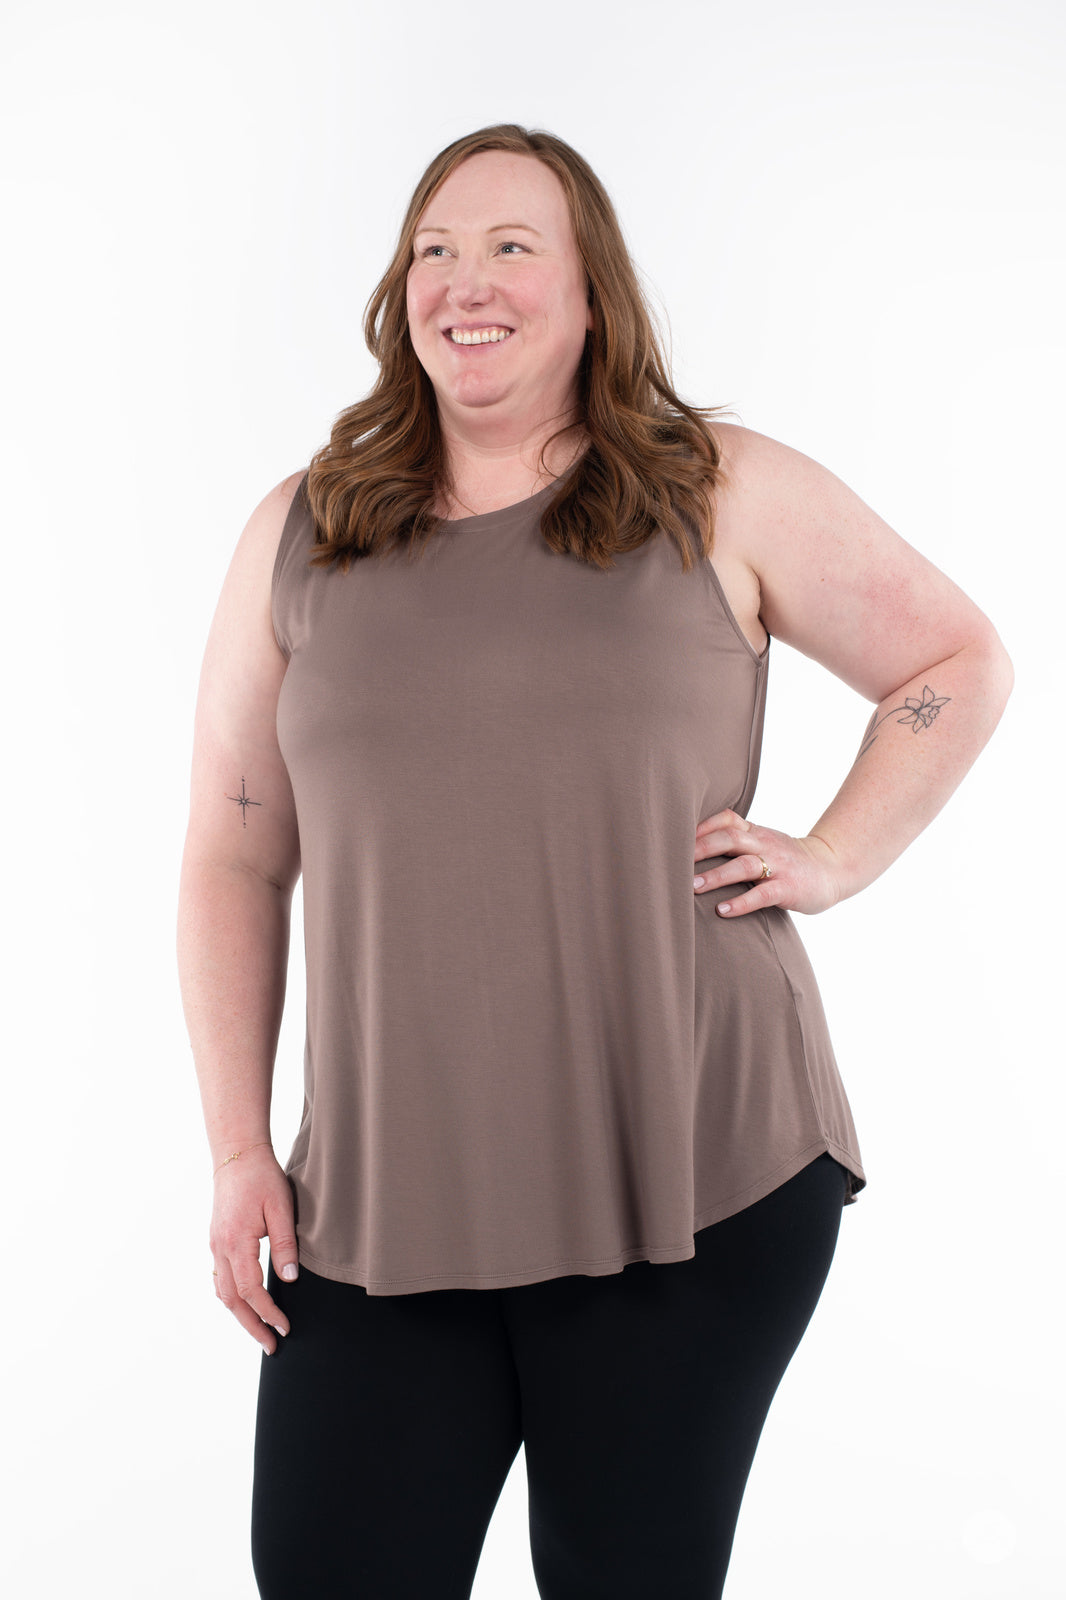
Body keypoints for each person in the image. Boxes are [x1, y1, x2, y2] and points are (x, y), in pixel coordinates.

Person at [176, 123, 1013, 1599]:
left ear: (588, 292)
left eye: (512, 246)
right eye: (433, 248)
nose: (466, 281)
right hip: (377, 1204)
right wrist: (242, 1148)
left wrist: (830, 855)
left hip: (689, 1174)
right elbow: (237, 850)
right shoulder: (300, 533)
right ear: (399, 293)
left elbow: (952, 658)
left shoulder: (717, 488)